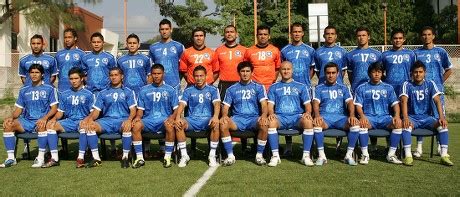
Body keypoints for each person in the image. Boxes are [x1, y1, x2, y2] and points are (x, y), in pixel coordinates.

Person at [1, 64, 58, 168]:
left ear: (42, 74)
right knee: (9, 125)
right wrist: (11, 118)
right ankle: (11, 158)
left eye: (37, 72)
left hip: (42, 120)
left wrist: (45, 118)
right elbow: (19, 109)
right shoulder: (24, 89)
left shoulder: (50, 89)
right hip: (27, 121)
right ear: (28, 74)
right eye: (32, 72)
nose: (34, 75)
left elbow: (54, 108)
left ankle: (40, 158)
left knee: (41, 125)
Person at [400, 61, 453, 166]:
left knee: (442, 125)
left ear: (425, 73)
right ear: (411, 73)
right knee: (406, 126)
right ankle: (408, 156)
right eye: (415, 72)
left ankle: (444, 155)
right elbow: (403, 101)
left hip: (427, 118)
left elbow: (438, 101)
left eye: (420, 72)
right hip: (412, 118)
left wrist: (441, 117)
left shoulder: (430, 83)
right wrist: (405, 118)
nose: (418, 74)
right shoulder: (407, 84)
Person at [82, 67, 137, 168]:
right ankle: (96, 158)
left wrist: (129, 120)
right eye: (111, 75)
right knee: (90, 126)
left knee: (127, 127)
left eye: (116, 75)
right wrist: (90, 119)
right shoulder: (103, 93)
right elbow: (96, 111)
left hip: (122, 120)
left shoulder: (128, 92)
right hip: (106, 121)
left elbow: (133, 110)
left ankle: (125, 157)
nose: (114, 77)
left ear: (122, 76)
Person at [413, 26, 453, 157]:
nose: (426, 37)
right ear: (421, 37)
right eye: (424, 35)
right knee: (421, 116)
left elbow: (449, 69)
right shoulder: (416, 53)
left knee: (439, 118)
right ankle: (419, 147)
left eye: (429, 34)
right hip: (421, 91)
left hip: (436, 92)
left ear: (433, 36)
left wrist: (439, 83)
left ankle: (440, 147)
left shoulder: (440, 51)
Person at [220, 61, 269, 166]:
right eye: (242, 71)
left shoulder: (259, 87)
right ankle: (230, 156)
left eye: (248, 71)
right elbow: (225, 107)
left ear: (252, 72)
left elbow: (264, 105)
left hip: (253, 119)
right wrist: (224, 116)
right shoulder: (231, 89)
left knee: (264, 124)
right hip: (237, 120)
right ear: (239, 72)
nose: (245, 73)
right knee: (223, 123)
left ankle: (259, 155)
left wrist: (264, 115)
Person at [266, 61, 314, 167]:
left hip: (296, 117)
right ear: (280, 71)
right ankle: (275, 156)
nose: (286, 71)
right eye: (283, 69)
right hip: (280, 117)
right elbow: (270, 105)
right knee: (271, 122)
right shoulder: (274, 87)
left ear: (292, 70)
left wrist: (308, 113)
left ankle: (306, 156)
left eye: (288, 69)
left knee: (308, 121)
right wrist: (271, 113)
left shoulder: (301, 86)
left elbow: (308, 104)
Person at [312, 62, 361, 166]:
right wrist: (317, 116)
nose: (331, 75)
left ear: (338, 73)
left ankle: (348, 155)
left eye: (333, 73)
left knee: (355, 124)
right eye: (328, 73)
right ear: (324, 74)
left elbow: (350, 103)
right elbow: (315, 103)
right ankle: (322, 156)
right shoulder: (319, 88)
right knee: (316, 124)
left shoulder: (343, 88)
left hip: (341, 119)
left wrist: (352, 115)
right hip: (325, 118)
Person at [354, 62, 403, 165]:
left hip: (384, 118)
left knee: (398, 124)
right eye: (373, 72)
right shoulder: (362, 88)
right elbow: (358, 105)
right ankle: (365, 155)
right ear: (369, 74)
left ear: (382, 73)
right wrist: (362, 116)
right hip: (369, 118)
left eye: (379, 72)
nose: (376, 74)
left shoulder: (388, 88)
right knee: (362, 124)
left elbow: (395, 104)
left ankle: (391, 154)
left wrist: (397, 116)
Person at [45, 67, 94, 168]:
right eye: (71, 79)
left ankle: (80, 158)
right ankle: (54, 158)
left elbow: (93, 113)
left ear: (81, 79)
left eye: (76, 78)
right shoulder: (64, 94)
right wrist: (53, 119)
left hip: (82, 121)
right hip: (69, 122)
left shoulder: (89, 94)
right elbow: (60, 112)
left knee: (84, 126)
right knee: (50, 126)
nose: (73, 81)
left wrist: (86, 119)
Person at [132, 63, 179, 168]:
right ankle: (140, 158)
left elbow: (176, 109)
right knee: (136, 126)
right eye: (154, 73)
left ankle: (167, 157)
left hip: (164, 120)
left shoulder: (170, 89)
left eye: (159, 73)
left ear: (163, 74)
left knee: (170, 125)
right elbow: (140, 110)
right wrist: (138, 117)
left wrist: (172, 117)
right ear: (151, 75)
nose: (156, 76)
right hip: (148, 120)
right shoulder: (144, 90)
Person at [174, 66, 221, 167]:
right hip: (192, 120)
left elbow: (217, 104)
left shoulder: (213, 90)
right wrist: (178, 116)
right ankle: (184, 155)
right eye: (196, 76)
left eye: (201, 76)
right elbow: (181, 104)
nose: (199, 78)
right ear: (193, 77)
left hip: (207, 120)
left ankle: (212, 155)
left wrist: (216, 116)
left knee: (216, 123)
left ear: (205, 76)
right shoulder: (188, 90)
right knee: (179, 124)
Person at [149, 19, 185, 93]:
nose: (164, 31)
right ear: (159, 31)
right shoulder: (153, 47)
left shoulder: (179, 46)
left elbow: (183, 67)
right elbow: (150, 68)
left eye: (166, 29)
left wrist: (177, 80)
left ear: (171, 30)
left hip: (174, 86)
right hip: (158, 86)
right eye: (162, 29)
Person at [244, 25, 281, 90]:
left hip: (270, 86)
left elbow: (277, 68)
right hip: (253, 86)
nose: (263, 36)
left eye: (265, 34)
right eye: (260, 34)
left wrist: (273, 80)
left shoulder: (275, 50)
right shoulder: (249, 51)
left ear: (269, 36)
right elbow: (245, 68)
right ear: (256, 36)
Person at [215, 25, 247, 99]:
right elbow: (216, 70)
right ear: (224, 35)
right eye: (227, 32)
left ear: (236, 34)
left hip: (240, 83)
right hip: (224, 84)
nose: (229, 34)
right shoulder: (218, 50)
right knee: (223, 109)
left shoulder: (244, 50)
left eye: (232, 32)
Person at [346, 27, 382, 92]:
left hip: (373, 89)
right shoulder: (350, 55)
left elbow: (380, 72)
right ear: (356, 38)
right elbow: (350, 74)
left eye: (364, 35)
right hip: (356, 88)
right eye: (359, 36)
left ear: (368, 37)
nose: (361, 37)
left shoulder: (377, 54)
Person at [382, 29, 416, 95]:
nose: (398, 40)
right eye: (395, 38)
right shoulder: (385, 55)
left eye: (400, 38)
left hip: (406, 87)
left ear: (404, 39)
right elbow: (380, 71)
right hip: (390, 88)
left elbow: (414, 71)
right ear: (391, 39)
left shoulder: (410, 54)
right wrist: (386, 81)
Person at [280, 23, 315, 87]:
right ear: (291, 34)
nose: (297, 34)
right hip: (290, 86)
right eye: (295, 32)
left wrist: (307, 79)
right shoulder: (284, 50)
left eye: (299, 32)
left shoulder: (310, 50)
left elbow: (312, 68)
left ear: (302, 33)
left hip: (305, 86)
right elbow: (282, 68)